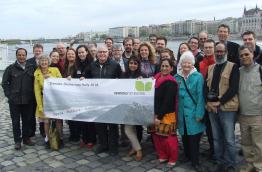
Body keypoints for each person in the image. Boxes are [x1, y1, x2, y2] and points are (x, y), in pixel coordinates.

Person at [206, 43, 239, 172]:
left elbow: (233, 88)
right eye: (217, 51)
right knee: (216, 137)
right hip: (211, 108)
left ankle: (230, 164)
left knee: (229, 139)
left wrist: (220, 101)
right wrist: (207, 102)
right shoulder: (211, 68)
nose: (219, 53)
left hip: (227, 108)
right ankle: (219, 161)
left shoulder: (233, 67)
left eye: (221, 51)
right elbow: (205, 87)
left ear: (226, 52)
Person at [175, 51, 206, 172]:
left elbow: (200, 97)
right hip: (181, 113)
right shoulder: (176, 77)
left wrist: (199, 114)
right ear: (181, 64)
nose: (186, 65)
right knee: (185, 136)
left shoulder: (198, 77)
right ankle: (187, 156)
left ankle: (195, 161)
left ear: (192, 64)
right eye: (184, 62)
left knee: (194, 139)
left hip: (193, 113)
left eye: (189, 62)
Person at [90, 45, 122, 155]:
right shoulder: (92, 65)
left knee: (112, 124)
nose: (102, 54)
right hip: (97, 100)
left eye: (104, 52)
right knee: (99, 124)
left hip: (111, 100)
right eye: (100, 52)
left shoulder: (115, 65)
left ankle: (113, 146)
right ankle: (103, 144)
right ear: (96, 54)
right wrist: (81, 79)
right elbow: (86, 78)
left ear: (108, 53)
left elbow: (122, 80)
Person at [2, 48, 35, 150]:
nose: (21, 57)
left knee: (27, 120)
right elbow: (4, 83)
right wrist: (9, 95)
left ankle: (26, 138)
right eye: (19, 55)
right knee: (15, 122)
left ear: (26, 56)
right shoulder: (10, 68)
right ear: (16, 56)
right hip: (14, 101)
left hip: (28, 100)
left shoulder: (32, 67)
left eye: (23, 55)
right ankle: (17, 141)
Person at [238, 45, 262, 172]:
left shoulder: (260, 70)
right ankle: (249, 164)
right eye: (241, 55)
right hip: (243, 114)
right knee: (246, 143)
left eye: (246, 54)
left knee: (259, 145)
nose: (244, 57)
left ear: (252, 54)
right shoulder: (239, 71)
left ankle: (259, 167)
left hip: (257, 115)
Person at [152, 58, 178, 167]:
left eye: (167, 66)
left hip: (166, 114)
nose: (164, 68)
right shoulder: (155, 79)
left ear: (171, 68)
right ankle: (162, 155)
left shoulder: (171, 82)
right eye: (162, 66)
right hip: (154, 112)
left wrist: (159, 117)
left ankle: (173, 157)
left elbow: (167, 102)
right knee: (157, 137)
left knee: (168, 139)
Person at [34, 55, 63, 148]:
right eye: (42, 61)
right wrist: (40, 106)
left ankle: (60, 138)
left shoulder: (55, 70)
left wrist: (50, 78)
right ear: (39, 62)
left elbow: (61, 83)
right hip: (44, 99)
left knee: (58, 120)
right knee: (46, 121)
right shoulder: (37, 73)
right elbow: (37, 91)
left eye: (46, 61)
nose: (44, 62)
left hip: (56, 99)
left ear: (48, 62)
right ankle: (47, 138)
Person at [74, 45, 96, 148]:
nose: (81, 54)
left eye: (83, 52)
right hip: (80, 96)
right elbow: (75, 76)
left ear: (87, 52)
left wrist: (86, 79)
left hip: (90, 95)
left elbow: (95, 78)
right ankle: (84, 138)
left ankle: (91, 139)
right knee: (82, 118)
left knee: (90, 119)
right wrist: (70, 78)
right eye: (79, 53)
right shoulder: (77, 64)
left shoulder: (93, 64)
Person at [123, 57, 143, 161]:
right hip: (126, 106)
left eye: (135, 63)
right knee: (129, 129)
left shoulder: (141, 76)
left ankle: (137, 148)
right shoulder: (124, 75)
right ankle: (136, 148)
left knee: (134, 129)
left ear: (138, 65)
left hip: (137, 107)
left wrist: (143, 81)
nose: (133, 65)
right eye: (131, 63)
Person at [26, 43, 44, 138]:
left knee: (42, 112)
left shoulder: (45, 61)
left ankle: (43, 130)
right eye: (36, 51)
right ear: (33, 51)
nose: (37, 52)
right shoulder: (28, 62)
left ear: (42, 51)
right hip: (32, 92)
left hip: (42, 92)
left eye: (39, 51)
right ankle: (31, 131)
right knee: (31, 113)